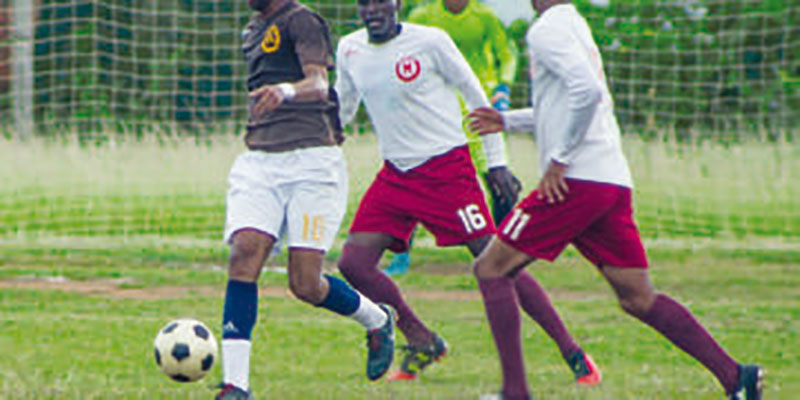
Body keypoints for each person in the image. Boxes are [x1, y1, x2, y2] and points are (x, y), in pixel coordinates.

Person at [468, 1, 764, 399]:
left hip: (574, 183)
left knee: (491, 268)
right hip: (609, 181)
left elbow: (586, 93)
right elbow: (565, 105)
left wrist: (560, 160)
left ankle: (515, 393)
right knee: (637, 297)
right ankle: (737, 378)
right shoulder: (574, 23)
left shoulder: (546, 30)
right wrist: (508, 121)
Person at [334, 0, 600, 385]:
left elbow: (477, 97)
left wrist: (496, 163)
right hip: (396, 175)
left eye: (381, 1)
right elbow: (341, 112)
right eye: (364, 3)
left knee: (496, 262)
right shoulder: (349, 48)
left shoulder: (430, 41)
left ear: (397, 4)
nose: (372, 9)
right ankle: (421, 339)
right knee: (354, 265)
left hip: (447, 172)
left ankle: (573, 353)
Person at [215, 1, 396, 398]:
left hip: (312, 166)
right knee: (244, 253)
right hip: (260, 160)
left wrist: (283, 91)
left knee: (306, 282)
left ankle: (377, 319)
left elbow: (318, 84)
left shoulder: (303, 21)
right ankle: (235, 386)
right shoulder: (253, 31)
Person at [384, 0, 522, 275]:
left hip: (477, 107)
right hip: (435, 110)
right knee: (413, 177)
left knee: (499, 179)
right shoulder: (423, 15)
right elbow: (399, 54)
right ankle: (400, 256)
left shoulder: (484, 16)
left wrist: (503, 86)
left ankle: (504, 256)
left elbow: (507, 53)